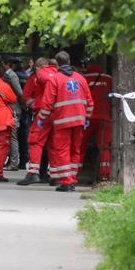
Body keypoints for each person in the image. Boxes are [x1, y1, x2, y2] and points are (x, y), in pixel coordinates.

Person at [38, 51, 93, 192]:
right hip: (79, 120)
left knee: (62, 150)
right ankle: (73, 179)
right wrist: (86, 117)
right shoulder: (81, 78)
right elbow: (89, 101)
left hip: (62, 120)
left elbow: (47, 103)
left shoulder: (55, 79)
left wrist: (41, 118)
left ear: (56, 63)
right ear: (69, 61)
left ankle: (66, 182)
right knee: (76, 150)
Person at [17, 57, 58, 185]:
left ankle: (33, 173)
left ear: (37, 67)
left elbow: (26, 97)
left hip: (42, 113)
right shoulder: (58, 75)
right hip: (58, 113)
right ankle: (56, 175)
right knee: (53, 144)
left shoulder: (37, 77)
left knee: (35, 141)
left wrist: (35, 103)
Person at [0, 54, 25, 171]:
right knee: (10, 137)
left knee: (13, 137)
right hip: (9, 108)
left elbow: (19, 92)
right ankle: (11, 161)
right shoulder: (6, 75)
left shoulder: (11, 76)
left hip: (13, 109)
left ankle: (14, 162)